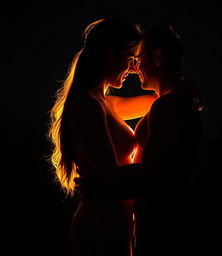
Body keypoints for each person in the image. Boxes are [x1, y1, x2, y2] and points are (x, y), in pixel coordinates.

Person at [48, 18, 157, 256]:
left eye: (137, 62)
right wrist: (168, 174)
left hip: (116, 218)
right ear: (110, 55)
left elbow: (161, 100)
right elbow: (111, 178)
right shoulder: (87, 106)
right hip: (101, 222)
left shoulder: (107, 103)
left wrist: (185, 86)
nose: (134, 69)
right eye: (131, 60)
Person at [131, 24, 203, 255]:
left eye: (139, 58)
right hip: (168, 219)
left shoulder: (168, 105)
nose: (135, 67)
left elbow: (151, 174)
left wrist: (102, 184)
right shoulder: (174, 100)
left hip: (161, 224)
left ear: (158, 57)